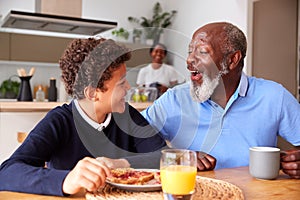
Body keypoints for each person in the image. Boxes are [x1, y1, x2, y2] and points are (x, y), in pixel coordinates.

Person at [0, 38, 167, 196]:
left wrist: (120, 164)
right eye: (122, 83)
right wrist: (67, 180)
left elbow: (164, 156)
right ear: (93, 93)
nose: (129, 87)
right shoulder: (59, 121)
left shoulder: (127, 115)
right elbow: (7, 173)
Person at [141, 22, 300, 178]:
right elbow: (130, 143)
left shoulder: (274, 96)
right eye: (190, 51)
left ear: (232, 60)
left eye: (202, 52)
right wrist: (176, 158)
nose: (189, 60)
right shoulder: (174, 99)